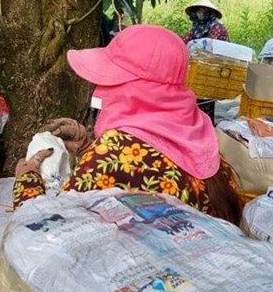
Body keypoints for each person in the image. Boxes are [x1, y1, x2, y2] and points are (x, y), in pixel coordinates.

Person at [13, 24, 243, 225]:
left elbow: (49, 231)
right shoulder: (199, 130)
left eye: (110, 80)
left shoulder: (114, 151)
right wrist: (87, 147)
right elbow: (145, 170)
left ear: (134, 89)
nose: (100, 89)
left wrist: (27, 180)